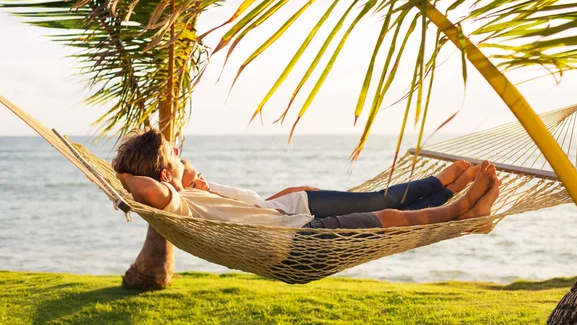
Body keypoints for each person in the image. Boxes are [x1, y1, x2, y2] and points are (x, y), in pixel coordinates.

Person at [114, 129, 500, 230]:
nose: (182, 154)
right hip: (294, 224)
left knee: (379, 199)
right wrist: (121, 176)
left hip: (289, 208)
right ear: (166, 176)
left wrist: (285, 193)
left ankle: (446, 186)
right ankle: (457, 200)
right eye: (174, 154)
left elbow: (251, 209)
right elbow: (147, 189)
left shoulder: (195, 193)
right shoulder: (178, 200)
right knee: (386, 209)